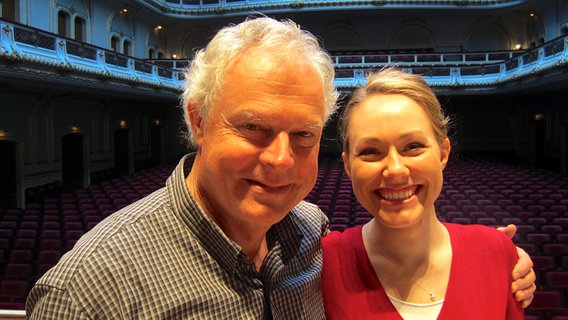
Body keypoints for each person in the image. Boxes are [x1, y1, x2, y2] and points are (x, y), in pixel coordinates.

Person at [26, 17, 534, 319]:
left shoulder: (310, 236)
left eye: (303, 136)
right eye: (253, 128)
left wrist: (497, 262)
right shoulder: (89, 289)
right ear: (198, 121)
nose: (279, 161)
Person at [322, 68, 529, 319]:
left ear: (443, 153)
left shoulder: (498, 254)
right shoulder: (322, 264)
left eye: (413, 147)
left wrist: (498, 254)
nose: (395, 170)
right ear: (347, 165)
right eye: (370, 151)